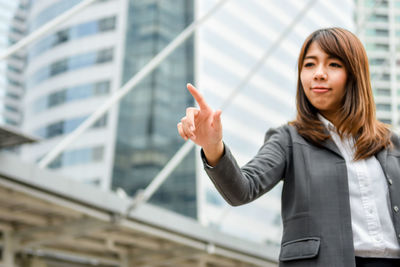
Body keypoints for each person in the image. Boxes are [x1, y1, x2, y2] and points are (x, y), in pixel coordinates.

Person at [177, 27, 400, 267]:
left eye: (334, 65)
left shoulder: (390, 143)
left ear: (354, 74)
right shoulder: (289, 139)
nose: (319, 74)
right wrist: (213, 146)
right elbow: (242, 189)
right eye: (310, 65)